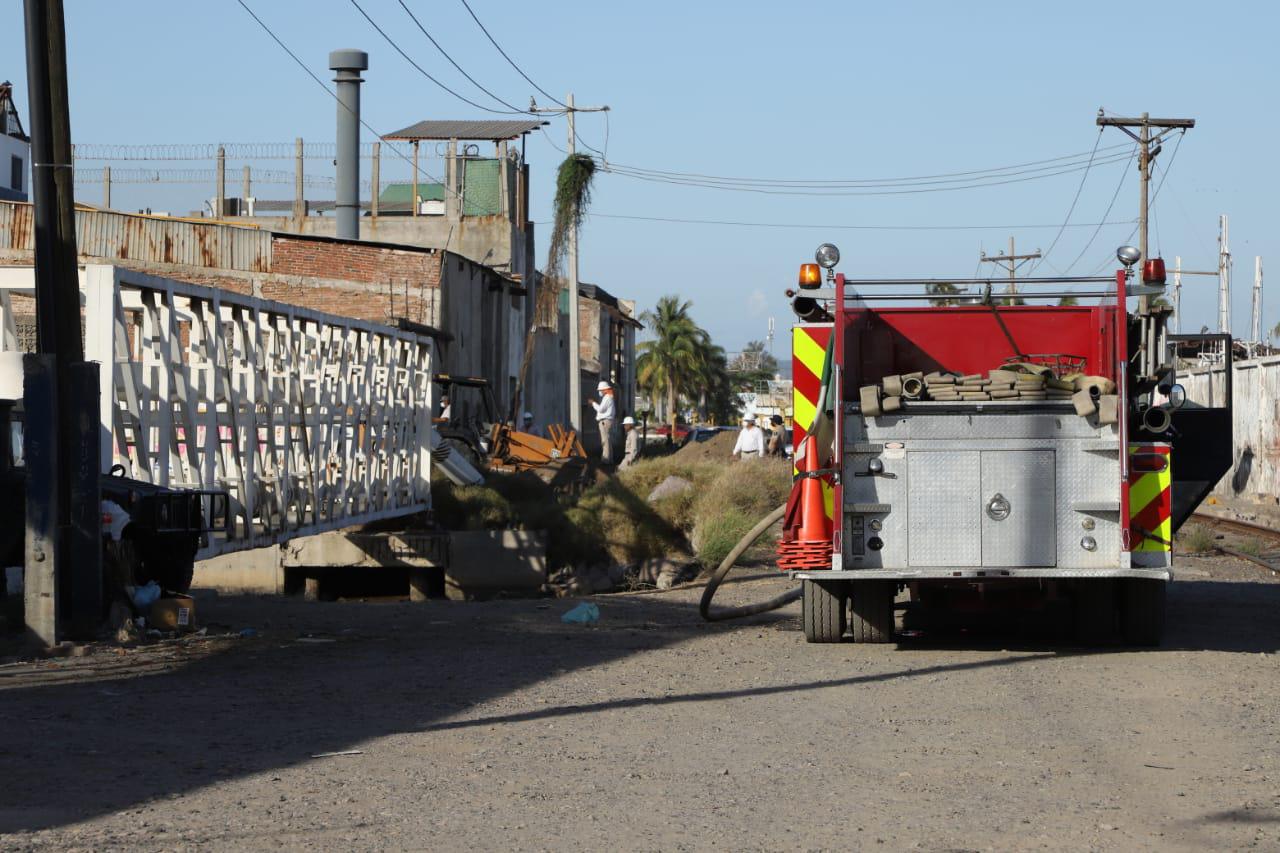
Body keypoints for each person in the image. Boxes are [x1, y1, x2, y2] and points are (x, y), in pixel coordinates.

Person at [589, 379, 616, 464]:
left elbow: (600, 409)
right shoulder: (608, 397)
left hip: (605, 422)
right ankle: (609, 460)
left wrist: (593, 403)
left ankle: (606, 460)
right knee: (607, 440)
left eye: (600, 390)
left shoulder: (607, 397)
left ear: (604, 390)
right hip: (607, 421)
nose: (599, 392)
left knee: (605, 441)